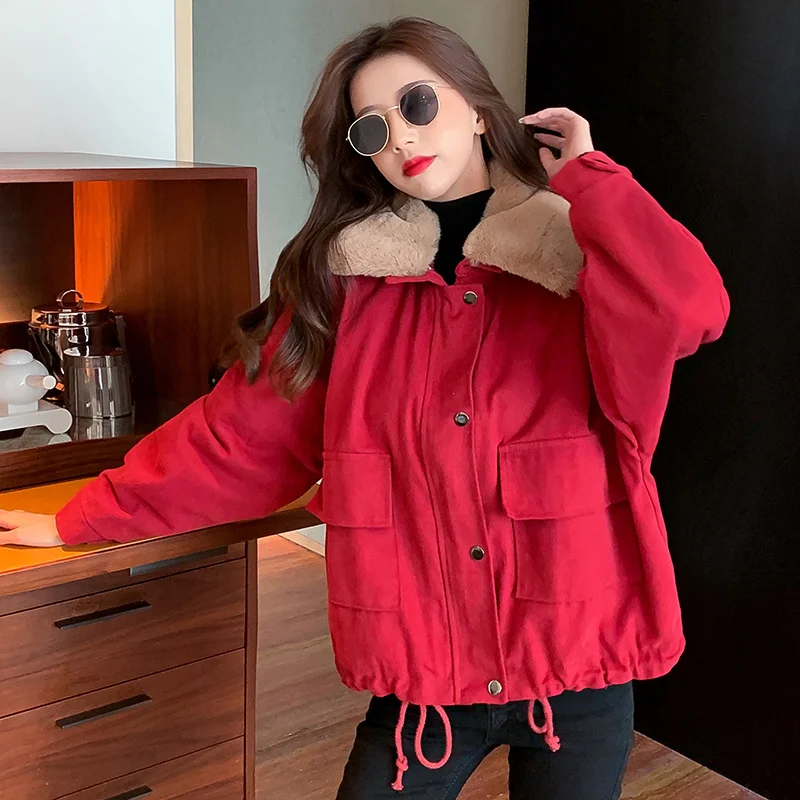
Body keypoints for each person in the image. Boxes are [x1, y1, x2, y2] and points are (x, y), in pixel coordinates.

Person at [0, 16, 729, 800]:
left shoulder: (578, 260)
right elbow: (238, 438)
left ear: (477, 108)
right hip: (422, 679)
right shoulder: (344, 282)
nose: (400, 137)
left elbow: (690, 309)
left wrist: (591, 177)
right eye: (371, 128)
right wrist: (81, 517)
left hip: (576, 667)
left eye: (418, 104)